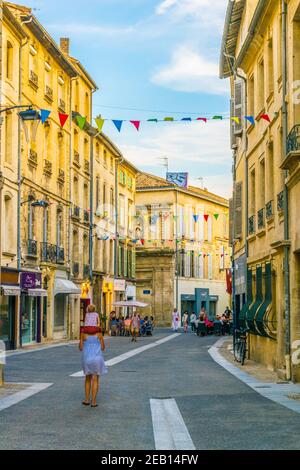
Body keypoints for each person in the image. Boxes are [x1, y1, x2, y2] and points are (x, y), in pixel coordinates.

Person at [79, 329, 107, 407]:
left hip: (87, 359)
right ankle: (94, 401)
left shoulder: (83, 334)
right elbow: (103, 348)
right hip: (97, 359)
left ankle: (87, 400)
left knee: (87, 379)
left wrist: (83, 341)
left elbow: (80, 348)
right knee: (95, 379)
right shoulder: (99, 334)